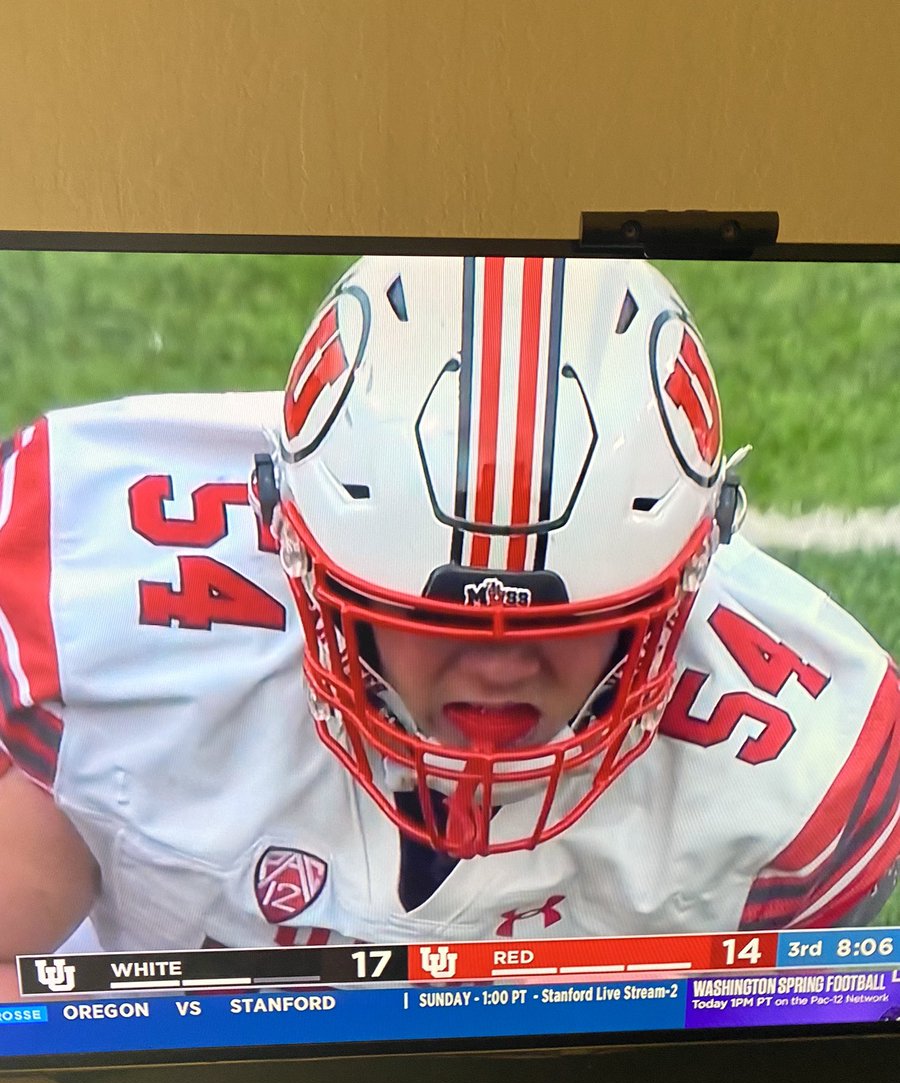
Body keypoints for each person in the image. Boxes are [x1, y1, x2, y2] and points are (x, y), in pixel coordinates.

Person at [0, 255, 897, 989]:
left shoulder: (800, 780)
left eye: (574, 621)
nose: (499, 668)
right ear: (303, 556)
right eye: (421, 615)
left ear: (683, 578)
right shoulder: (98, 594)